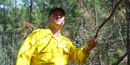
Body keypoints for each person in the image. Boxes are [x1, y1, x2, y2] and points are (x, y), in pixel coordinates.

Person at [15, 6, 98, 65]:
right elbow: (22, 57)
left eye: (61, 15)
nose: (58, 16)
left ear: (64, 21)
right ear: (48, 19)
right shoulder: (37, 35)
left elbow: (80, 59)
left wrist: (88, 48)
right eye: (55, 14)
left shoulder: (66, 42)